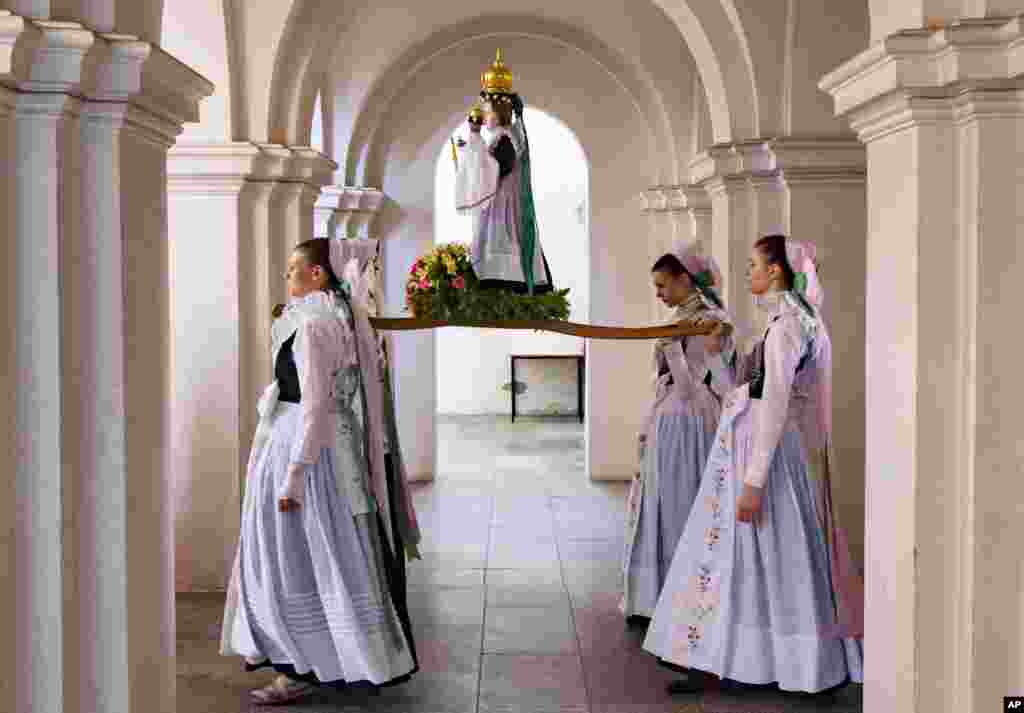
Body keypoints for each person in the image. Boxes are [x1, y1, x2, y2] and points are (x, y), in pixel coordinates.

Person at [642, 235, 864, 695]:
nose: (747, 273)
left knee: (764, 556)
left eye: (753, 265)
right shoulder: (791, 322)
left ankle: (773, 663)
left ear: (777, 272)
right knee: (750, 557)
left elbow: (775, 404)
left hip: (769, 457)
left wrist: (754, 482)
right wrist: (719, 353)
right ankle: (742, 658)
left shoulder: (787, 328)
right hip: (756, 452)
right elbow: (741, 388)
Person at [220, 238, 418, 704]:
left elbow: (315, 405)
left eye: (294, 269)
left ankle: (300, 664)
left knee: (292, 558)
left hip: (302, 449)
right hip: (317, 446)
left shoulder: (312, 326)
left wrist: (293, 477)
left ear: (317, 275)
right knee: (315, 556)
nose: (287, 277)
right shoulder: (336, 319)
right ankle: (319, 658)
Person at [621, 243, 735, 623]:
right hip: (672, 414)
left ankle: (679, 597)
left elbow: (703, 381)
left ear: (685, 279)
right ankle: (651, 597)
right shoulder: (687, 315)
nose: (658, 294)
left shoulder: (709, 318)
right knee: (659, 497)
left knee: (679, 500)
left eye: (662, 285)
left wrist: (671, 349)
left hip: (691, 418)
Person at [454, 49, 554, 294]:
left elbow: (495, 170)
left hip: (504, 206)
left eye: (486, 110)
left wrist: (475, 141)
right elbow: (488, 165)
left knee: (501, 245)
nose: (485, 116)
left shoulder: (506, 137)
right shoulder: (507, 135)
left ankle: (504, 289)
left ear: (498, 110)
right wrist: (471, 150)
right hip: (501, 203)